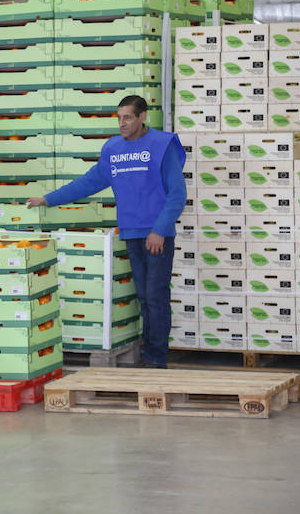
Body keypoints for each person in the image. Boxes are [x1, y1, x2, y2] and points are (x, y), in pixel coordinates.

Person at [26, 95, 186, 369]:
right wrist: (49, 199)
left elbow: (178, 193)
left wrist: (159, 230)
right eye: (119, 117)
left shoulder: (162, 145)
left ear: (143, 117)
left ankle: (157, 359)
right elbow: (89, 182)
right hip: (131, 233)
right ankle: (150, 355)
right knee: (145, 298)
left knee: (156, 296)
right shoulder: (113, 149)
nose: (122, 123)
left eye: (128, 118)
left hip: (157, 236)